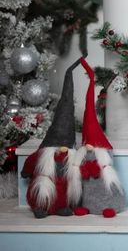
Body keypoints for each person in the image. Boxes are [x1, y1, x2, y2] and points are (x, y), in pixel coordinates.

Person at [21, 59, 82, 218]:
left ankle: (61, 207)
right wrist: (26, 171)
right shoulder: (43, 155)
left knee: (64, 191)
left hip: (62, 191)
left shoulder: (71, 157)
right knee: (41, 189)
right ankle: (41, 207)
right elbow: (31, 162)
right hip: (44, 186)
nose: (62, 147)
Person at [72, 58, 126, 218]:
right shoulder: (82, 156)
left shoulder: (104, 159)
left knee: (106, 188)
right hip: (89, 191)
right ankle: (88, 206)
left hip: (103, 186)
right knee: (88, 190)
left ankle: (110, 206)